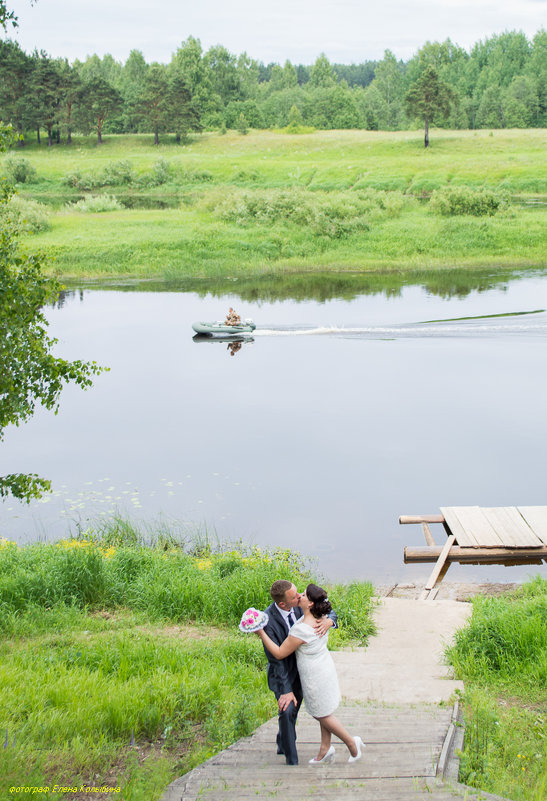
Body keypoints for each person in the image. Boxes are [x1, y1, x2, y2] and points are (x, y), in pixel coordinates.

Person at [256, 583, 364, 766]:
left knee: (321, 714)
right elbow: (277, 661)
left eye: (303, 595)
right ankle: (322, 749)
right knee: (318, 710)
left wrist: (260, 633)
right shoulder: (315, 616)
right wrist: (329, 620)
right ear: (283, 604)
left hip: (314, 675)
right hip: (315, 669)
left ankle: (352, 743)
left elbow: (280, 653)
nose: (299, 596)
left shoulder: (304, 627)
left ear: (311, 604)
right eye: (296, 595)